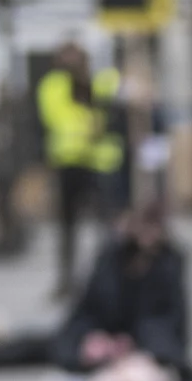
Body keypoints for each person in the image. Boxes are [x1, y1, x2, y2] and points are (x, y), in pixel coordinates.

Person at [43, 199, 192, 381]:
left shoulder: (169, 263)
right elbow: (87, 310)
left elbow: (170, 323)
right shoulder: (110, 259)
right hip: (105, 340)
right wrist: (97, 341)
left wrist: (138, 348)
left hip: (149, 346)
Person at [36, 41, 128, 295]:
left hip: (100, 163)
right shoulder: (52, 86)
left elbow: (117, 107)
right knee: (68, 227)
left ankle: (109, 275)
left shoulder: (102, 82)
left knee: (105, 226)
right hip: (69, 163)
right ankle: (67, 280)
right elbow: (55, 117)